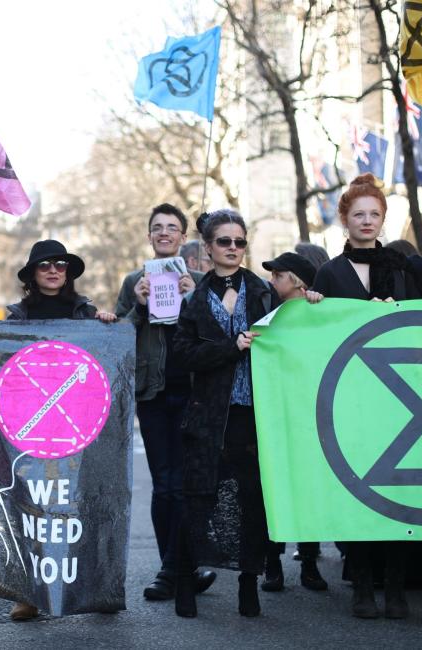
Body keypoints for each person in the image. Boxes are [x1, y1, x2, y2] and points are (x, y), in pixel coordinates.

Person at [305, 174, 420, 619]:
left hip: (400, 398)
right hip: (350, 400)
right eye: (359, 215)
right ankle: (363, 585)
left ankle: (395, 585)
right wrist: (312, 308)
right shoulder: (329, 273)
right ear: (345, 220)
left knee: (399, 492)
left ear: (383, 218)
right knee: (358, 492)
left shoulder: (404, 269)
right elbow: (318, 339)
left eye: (374, 214)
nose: (367, 221)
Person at [172, 208, 279, 618]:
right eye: (224, 241)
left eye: (240, 242)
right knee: (198, 499)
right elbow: (183, 355)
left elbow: (290, 331)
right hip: (208, 417)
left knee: (253, 500)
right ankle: (185, 579)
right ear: (209, 247)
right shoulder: (195, 298)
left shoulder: (264, 291)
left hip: (255, 415)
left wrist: (310, 298)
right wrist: (229, 347)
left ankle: (248, 583)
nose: (233, 248)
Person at [4, 239, 117, 620]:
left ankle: (96, 587)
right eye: (45, 265)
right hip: (33, 429)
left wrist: (106, 329)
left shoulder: (86, 313)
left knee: (84, 504)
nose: (54, 270)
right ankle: (29, 593)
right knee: (32, 507)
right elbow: (5, 367)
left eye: (61, 265)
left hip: (80, 425)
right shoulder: (16, 317)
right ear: (32, 274)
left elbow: (104, 365)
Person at [114, 205, 214, 602]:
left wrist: (195, 300)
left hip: (192, 392)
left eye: (172, 228)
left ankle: (175, 570)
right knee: (165, 485)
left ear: (182, 236)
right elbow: (118, 337)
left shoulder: (202, 282)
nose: (164, 233)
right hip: (153, 394)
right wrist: (138, 306)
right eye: (157, 227)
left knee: (187, 485)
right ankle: (174, 568)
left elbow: (217, 335)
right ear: (149, 235)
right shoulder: (134, 280)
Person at [258, 252, 328, 593]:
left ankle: (310, 563)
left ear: (297, 280)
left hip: (312, 414)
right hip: (277, 411)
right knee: (275, 486)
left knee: (307, 488)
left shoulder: (322, 313)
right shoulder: (269, 315)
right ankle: (273, 565)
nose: (272, 280)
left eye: (278, 274)